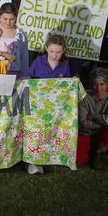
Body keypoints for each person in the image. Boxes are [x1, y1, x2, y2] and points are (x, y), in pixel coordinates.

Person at [24, 34, 72, 174]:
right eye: (51, 51)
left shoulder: (64, 65)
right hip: (37, 104)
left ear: (63, 51)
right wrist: (26, 79)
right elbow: (29, 76)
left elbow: (66, 86)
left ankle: (49, 157)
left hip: (56, 108)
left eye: (58, 52)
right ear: (46, 49)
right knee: (35, 132)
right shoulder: (38, 61)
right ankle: (32, 162)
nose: (54, 55)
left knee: (52, 132)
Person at [77, 67, 108, 169]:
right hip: (86, 131)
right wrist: (104, 122)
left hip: (102, 131)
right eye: (95, 84)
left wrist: (95, 116)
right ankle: (91, 148)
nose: (98, 88)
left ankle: (99, 152)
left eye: (102, 84)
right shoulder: (85, 97)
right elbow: (83, 122)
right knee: (79, 161)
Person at [0, 3, 29, 76]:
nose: (8, 22)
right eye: (5, 19)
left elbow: (24, 57)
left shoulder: (21, 34)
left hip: (14, 73)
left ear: (16, 17)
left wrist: (24, 75)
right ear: (0, 16)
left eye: (11, 19)